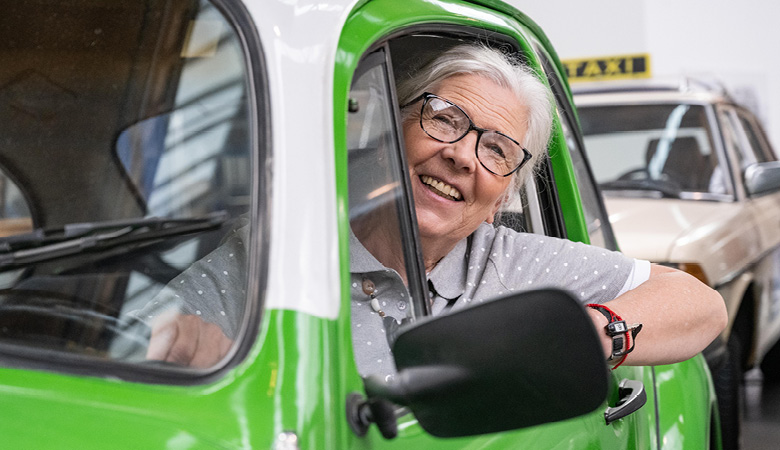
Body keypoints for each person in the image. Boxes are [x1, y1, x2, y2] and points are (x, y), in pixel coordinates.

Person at [138, 43, 728, 375]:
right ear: (390, 130)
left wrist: (590, 334)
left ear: (504, 196)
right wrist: (187, 346)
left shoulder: (510, 263)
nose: (462, 156)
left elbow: (699, 305)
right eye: (444, 119)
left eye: (497, 149)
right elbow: (141, 334)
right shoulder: (275, 255)